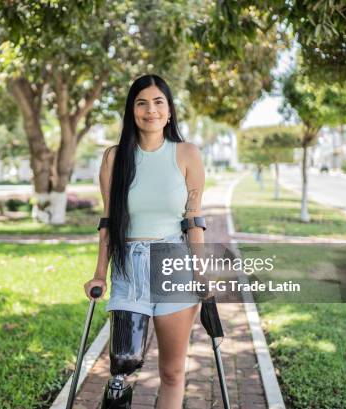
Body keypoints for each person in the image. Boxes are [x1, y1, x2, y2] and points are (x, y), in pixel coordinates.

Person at [83, 74, 207, 409]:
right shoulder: (114, 158)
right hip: (128, 271)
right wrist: (98, 273)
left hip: (174, 268)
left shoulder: (187, 154)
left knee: (171, 372)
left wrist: (200, 271)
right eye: (141, 102)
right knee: (122, 364)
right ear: (131, 111)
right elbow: (109, 221)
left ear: (169, 111)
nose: (150, 110)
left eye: (158, 102)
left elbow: (193, 219)